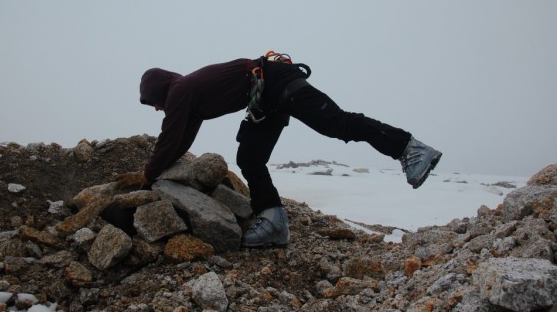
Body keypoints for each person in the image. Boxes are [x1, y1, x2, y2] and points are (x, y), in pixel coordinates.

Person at [116, 51, 442, 247]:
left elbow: (169, 135)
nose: (158, 108)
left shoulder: (180, 90)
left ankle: (410, 149)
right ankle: (273, 222)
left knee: (337, 124)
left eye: (153, 103)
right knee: (250, 156)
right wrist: (157, 169)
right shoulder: (188, 97)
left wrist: (147, 175)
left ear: (158, 92)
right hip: (264, 96)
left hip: (274, 79)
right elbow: (181, 139)